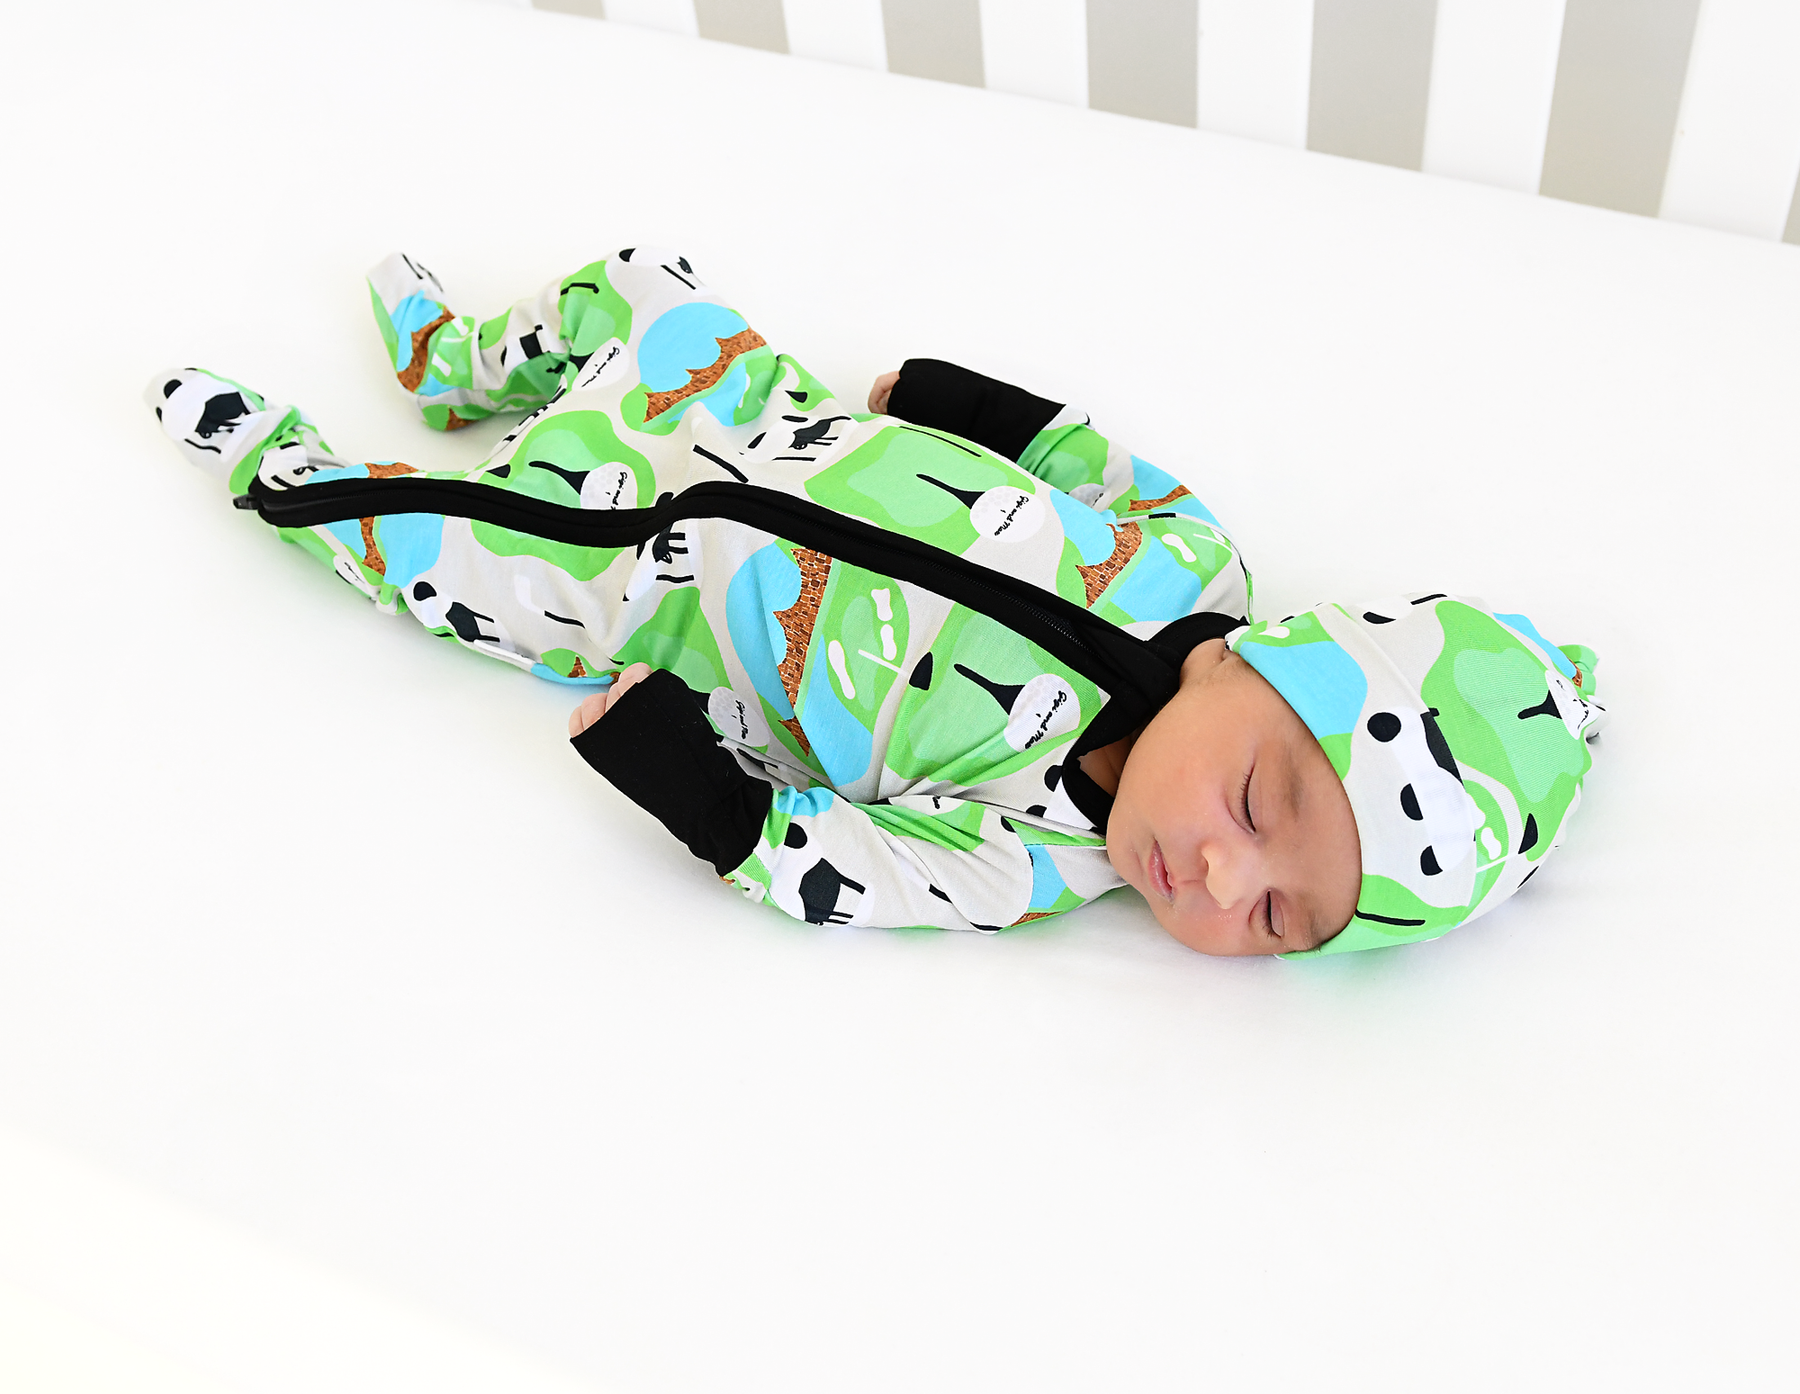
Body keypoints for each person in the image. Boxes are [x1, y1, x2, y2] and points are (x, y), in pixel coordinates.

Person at [148, 247, 1602, 957]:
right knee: (649, 289)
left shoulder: (1027, 857)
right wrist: (950, 400)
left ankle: (284, 469)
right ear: (1261, 662)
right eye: (1258, 805)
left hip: (645, 582)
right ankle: (464, 361)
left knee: (441, 548)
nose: (1223, 881)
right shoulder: (1193, 563)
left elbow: (837, 866)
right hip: (768, 417)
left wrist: (684, 774)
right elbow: (1087, 461)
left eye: (1284, 918)